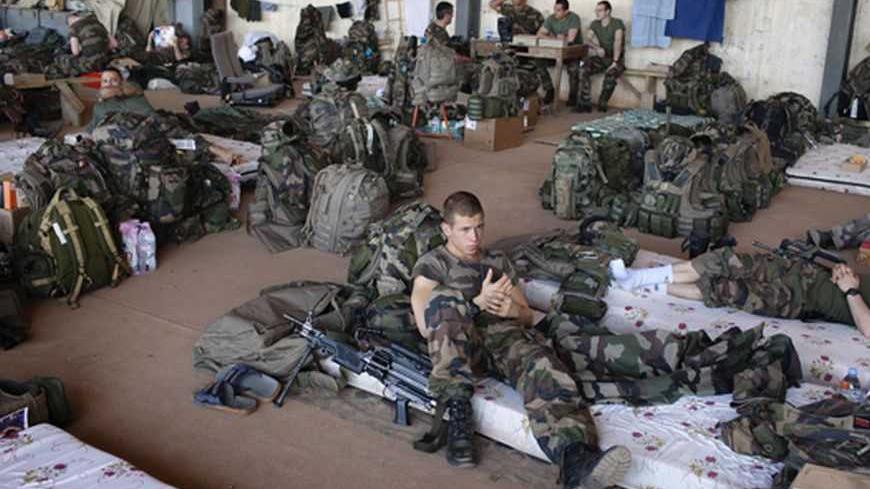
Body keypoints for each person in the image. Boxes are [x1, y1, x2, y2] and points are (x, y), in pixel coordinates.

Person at [410, 191, 631, 488]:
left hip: (504, 340)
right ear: (446, 229)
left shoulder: (496, 260)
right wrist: (476, 303)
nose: (474, 237)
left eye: (479, 227)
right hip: (462, 348)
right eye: (465, 229)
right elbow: (426, 324)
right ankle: (458, 412)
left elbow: (527, 315)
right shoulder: (433, 264)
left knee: (543, 363)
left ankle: (575, 458)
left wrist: (512, 309)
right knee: (444, 298)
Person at [610, 247, 870, 337]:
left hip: (799, 300)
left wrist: (851, 291)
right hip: (805, 273)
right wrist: (842, 272)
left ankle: (640, 282)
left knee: (724, 289)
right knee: (726, 260)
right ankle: (636, 278)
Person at [489, 0, 555, 103]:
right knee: (499, 60)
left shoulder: (535, 14)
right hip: (512, 46)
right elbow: (492, 4)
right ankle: (504, 90)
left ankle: (549, 90)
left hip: (530, 48)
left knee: (539, 62)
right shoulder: (508, 9)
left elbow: (543, 34)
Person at [574, 1, 625, 112]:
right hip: (602, 58)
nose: (597, 13)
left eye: (600, 10)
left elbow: (618, 42)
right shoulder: (595, 24)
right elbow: (587, 39)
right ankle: (585, 102)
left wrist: (615, 62)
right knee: (583, 68)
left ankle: (603, 102)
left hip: (616, 59)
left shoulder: (617, 23)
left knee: (611, 75)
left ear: (608, 11)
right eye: (596, 10)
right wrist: (597, 48)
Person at [537, 0, 581, 106]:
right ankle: (549, 90)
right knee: (538, 62)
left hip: (572, 53)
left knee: (574, 69)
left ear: (566, 11)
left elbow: (570, 39)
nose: (555, 12)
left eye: (559, 10)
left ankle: (573, 96)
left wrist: (555, 38)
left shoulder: (574, 18)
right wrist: (555, 38)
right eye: (554, 9)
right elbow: (539, 33)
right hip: (555, 51)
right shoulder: (551, 18)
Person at [45, 12, 111, 79]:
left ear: (69, 22)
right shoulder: (97, 22)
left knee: (60, 59)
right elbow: (114, 44)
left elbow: (75, 52)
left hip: (91, 65)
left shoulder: (74, 27)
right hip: (104, 61)